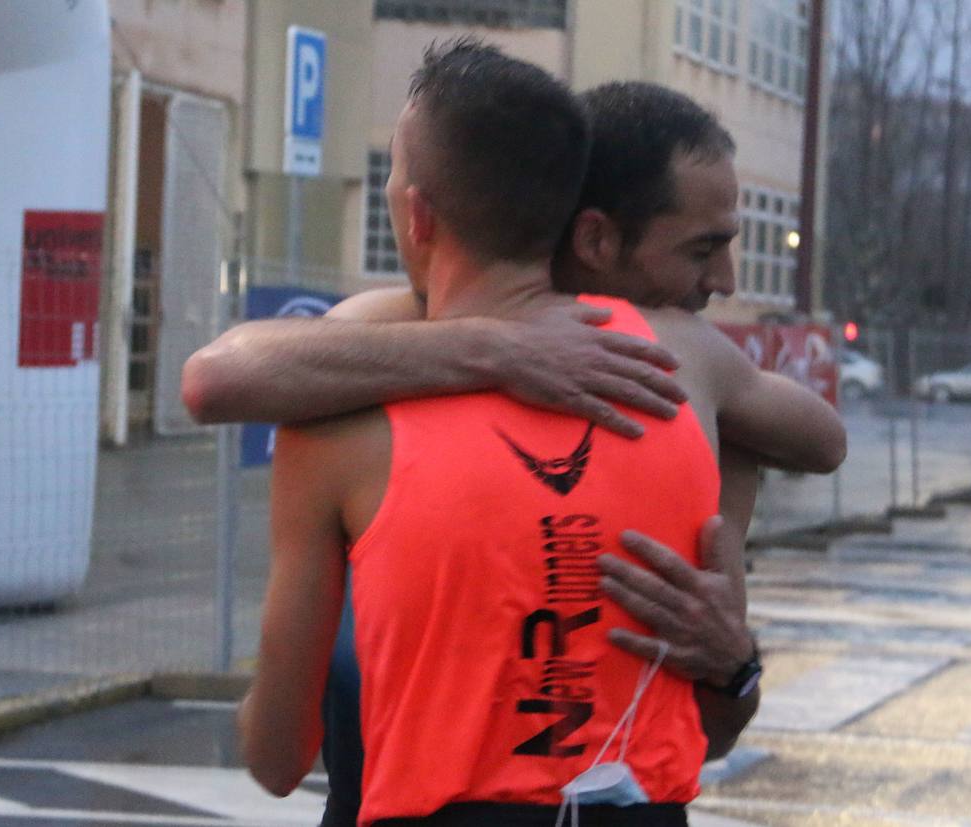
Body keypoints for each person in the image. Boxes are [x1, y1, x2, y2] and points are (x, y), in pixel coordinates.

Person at [189, 80, 846, 826]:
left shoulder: (345, 403)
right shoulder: (688, 370)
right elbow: (701, 740)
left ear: (417, 215)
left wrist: (735, 669)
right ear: (589, 235)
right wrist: (499, 345)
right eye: (702, 248)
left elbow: (276, 757)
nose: (722, 280)